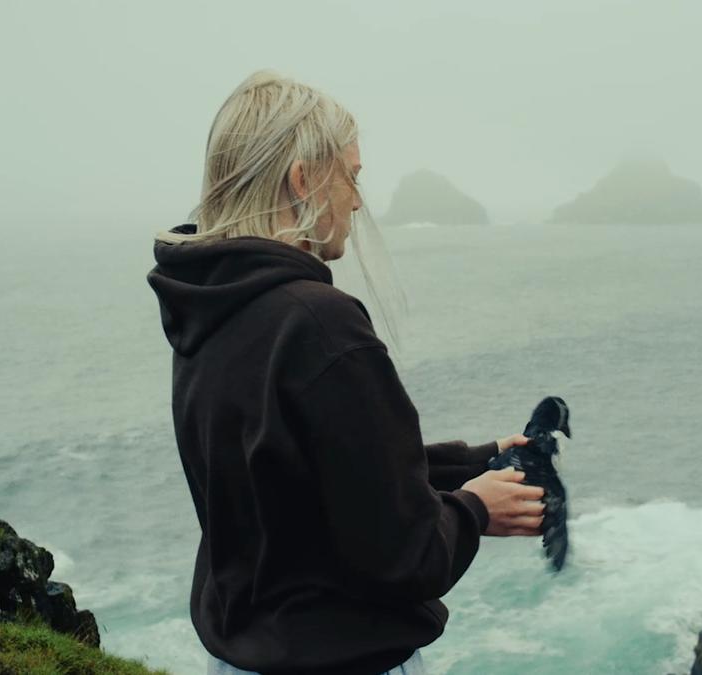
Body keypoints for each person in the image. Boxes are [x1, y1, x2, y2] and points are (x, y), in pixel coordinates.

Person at [146, 70, 547, 675]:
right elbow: (405, 553)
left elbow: (306, 474)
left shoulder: (206, 305)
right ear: (304, 180)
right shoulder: (317, 321)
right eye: (352, 176)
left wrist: (476, 461)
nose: (358, 201)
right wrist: (475, 508)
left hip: (241, 658)